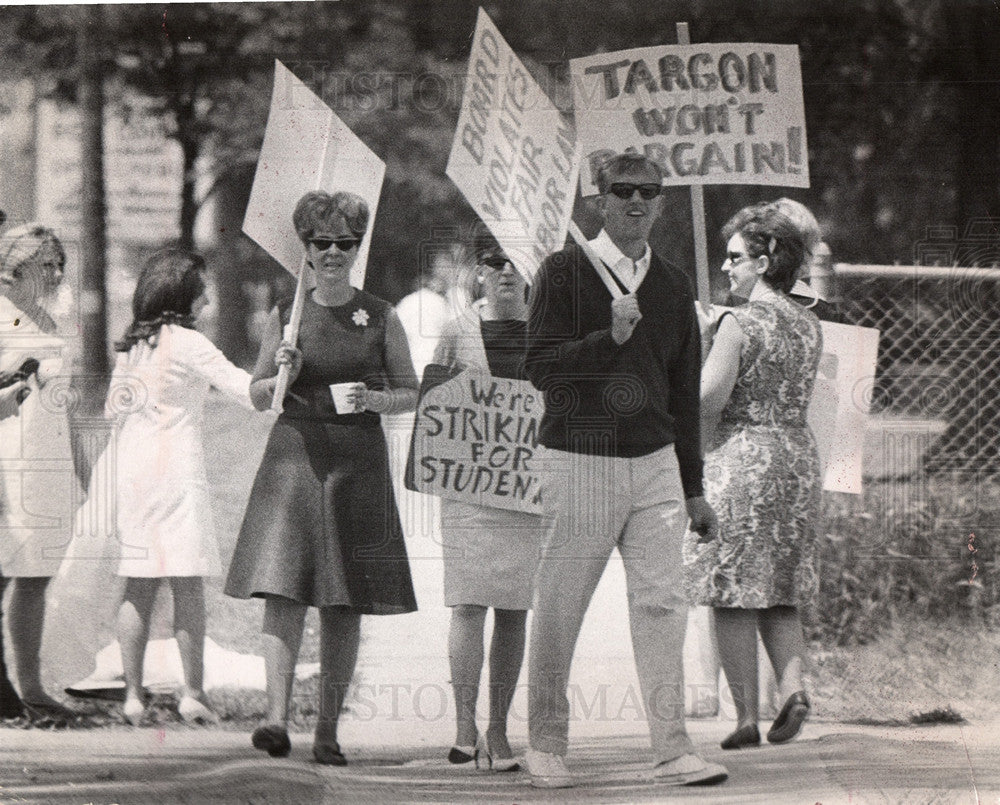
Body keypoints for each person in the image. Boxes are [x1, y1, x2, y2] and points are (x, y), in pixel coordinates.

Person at [523, 153, 727, 789]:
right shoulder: (563, 271)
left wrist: (693, 489)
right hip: (579, 460)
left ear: (662, 203)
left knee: (663, 606)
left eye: (649, 193)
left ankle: (672, 748)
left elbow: (683, 391)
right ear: (600, 201)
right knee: (560, 605)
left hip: (656, 466)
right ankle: (546, 745)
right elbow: (539, 367)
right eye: (623, 192)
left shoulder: (671, 284)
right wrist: (606, 339)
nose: (636, 202)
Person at [225, 190, 419, 765]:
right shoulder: (286, 315)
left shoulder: (381, 315)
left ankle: (329, 731)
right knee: (283, 587)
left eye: (344, 243)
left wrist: (378, 399)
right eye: (321, 243)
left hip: (356, 462)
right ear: (305, 248)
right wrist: (281, 375)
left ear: (357, 248)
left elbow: (411, 389)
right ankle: (275, 721)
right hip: (293, 459)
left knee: (345, 599)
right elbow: (258, 396)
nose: (332, 252)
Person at [684, 204, 823, 751]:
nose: (726, 266)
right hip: (795, 457)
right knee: (779, 587)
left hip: (742, 458)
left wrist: (705, 343)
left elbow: (708, 399)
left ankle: (745, 717)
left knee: (729, 589)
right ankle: (792, 689)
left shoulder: (737, 322)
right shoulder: (808, 323)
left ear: (765, 263)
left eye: (736, 258)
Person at [106, 249, 255, 725]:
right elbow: (244, 389)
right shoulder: (188, 344)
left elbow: (113, 410)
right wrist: (281, 365)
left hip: (135, 466)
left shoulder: (135, 344)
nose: (208, 299)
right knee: (188, 582)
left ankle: (132, 697)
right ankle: (191, 693)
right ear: (183, 296)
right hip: (176, 468)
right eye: (201, 291)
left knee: (140, 581)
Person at [432, 243, 547, 772]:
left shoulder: (547, 329)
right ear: (479, 273)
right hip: (469, 487)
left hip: (526, 489)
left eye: (514, 263)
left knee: (513, 607)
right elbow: (434, 399)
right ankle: (463, 725)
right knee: (468, 603)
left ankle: (499, 729)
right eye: (494, 262)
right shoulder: (457, 330)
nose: (505, 271)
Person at [0, 223, 80, 725]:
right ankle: (10, 687)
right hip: (9, 454)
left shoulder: (54, 319)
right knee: (7, 572)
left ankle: (30, 686)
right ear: (16, 264)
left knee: (35, 574)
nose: (52, 272)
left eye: (57, 264)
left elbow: (64, 400)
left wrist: (82, 467)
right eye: (42, 263)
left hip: (49, 454)